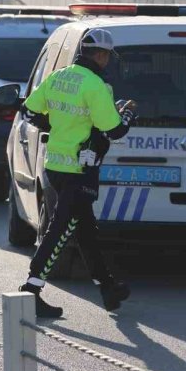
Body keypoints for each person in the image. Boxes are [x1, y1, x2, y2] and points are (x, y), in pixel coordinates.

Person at [17, 28, 138, 319]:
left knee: (85, 230)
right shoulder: (96, 86)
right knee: (60, 229)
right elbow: (115, 131)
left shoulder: (59, 76)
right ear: (101, 55)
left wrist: (59, 129)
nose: (107, 60)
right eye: (107, 55)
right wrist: (127, 115)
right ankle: (30, 289)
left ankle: (108, 287)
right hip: (79, 170)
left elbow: (29, 112)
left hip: (55, 165)